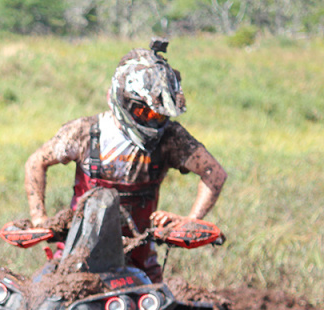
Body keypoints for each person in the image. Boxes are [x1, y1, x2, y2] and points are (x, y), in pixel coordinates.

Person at [23, 40, 227, 282]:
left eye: (160, 115)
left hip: (139, 259)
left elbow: (214, 172)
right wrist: (40, 219)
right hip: (76, 255)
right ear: (123, 100)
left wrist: (191, 220)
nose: (154, 122)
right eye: (147, 113)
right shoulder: (84, 133)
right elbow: (36, 162)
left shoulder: (170, 137)